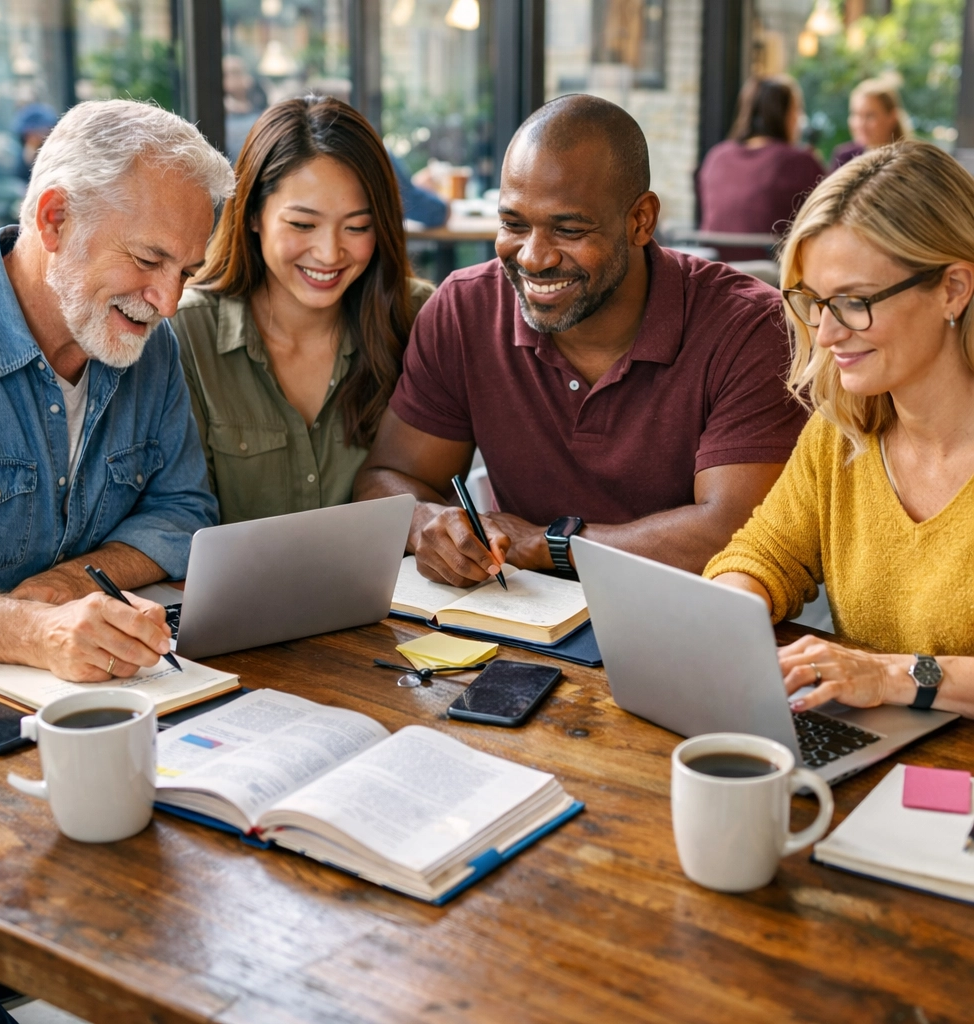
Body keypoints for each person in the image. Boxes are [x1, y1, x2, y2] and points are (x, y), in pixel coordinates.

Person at [354, 94, 808, 588]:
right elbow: (384, 479)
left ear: (640, 220)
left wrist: (551, 544)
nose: (533, 257)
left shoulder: (750, 327)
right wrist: (427, 524)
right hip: (521, 617)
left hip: (686, 624)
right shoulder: (464, 309)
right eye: (513, 224)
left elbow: (740, 533)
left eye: (568, 229)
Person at [0, 99, 234, 681]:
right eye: (149, 258)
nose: (168, 302)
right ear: (55, 219)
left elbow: (183, 510)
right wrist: (29, 629)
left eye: (185, 271)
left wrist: (69, 584)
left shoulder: (148, 345)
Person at [705, 141, 974, 720]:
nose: (825, 334)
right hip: (883, 750)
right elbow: (763, 555)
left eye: (854, 301)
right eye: (814, 301)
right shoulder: (842, 435)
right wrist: (732, 610)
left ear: (953, 288)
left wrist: (888, 674)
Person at [172, 97, 434, 524]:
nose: (330, 253)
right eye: (302, 224)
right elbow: (178, 516)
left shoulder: (419, 318)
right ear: (253, 213)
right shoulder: (187, 332)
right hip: (240, 592)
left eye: (357, 227)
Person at [697, 76, 825, 262]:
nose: (800, 119)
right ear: (786, 115)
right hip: (774, 277)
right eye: (797, 110)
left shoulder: (717, 156)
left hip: (714, 273)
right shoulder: (800, 161)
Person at [830, 77, 910, 171]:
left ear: (892, 117)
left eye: (870, 116)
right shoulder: (843, 158)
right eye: (855, 114)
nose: (861, 124)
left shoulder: (909, 161)